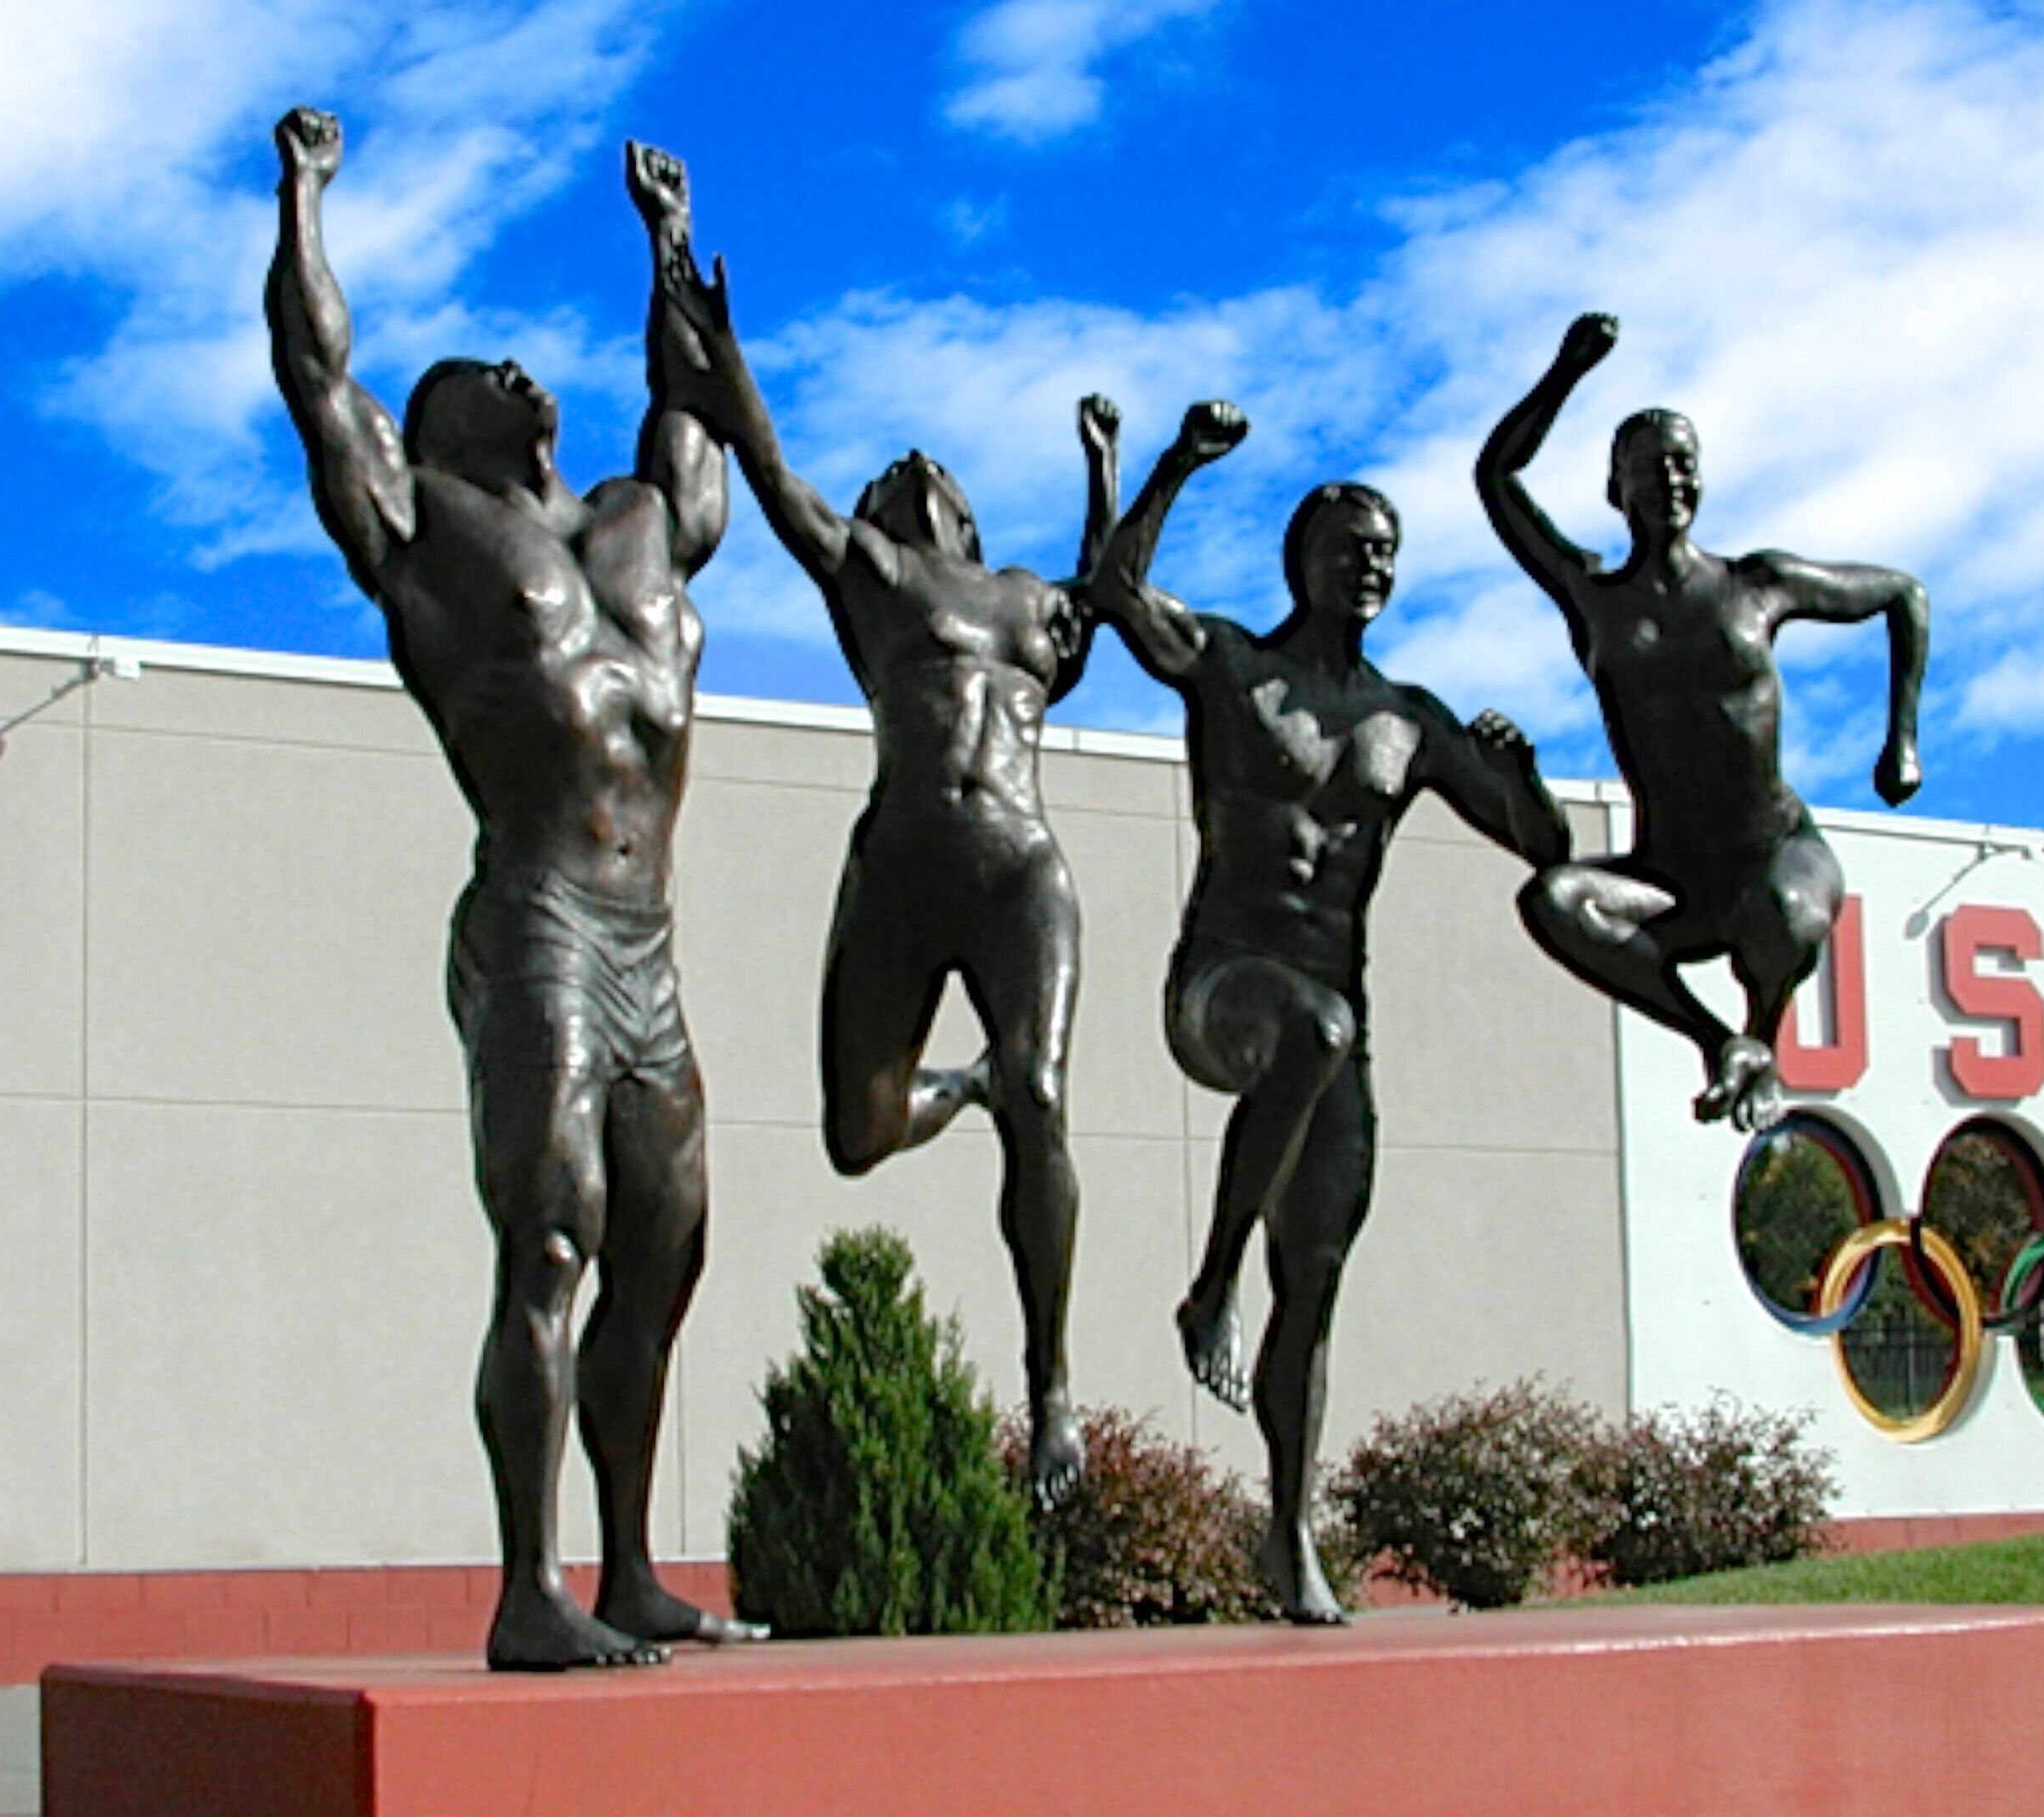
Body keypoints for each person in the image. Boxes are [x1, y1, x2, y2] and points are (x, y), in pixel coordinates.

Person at [263, 107, 757, 1671]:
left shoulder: (639, 528)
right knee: (553, 1235)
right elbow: (315, 378)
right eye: (485, 372)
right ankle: (524, 1590)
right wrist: (306, 200)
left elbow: (695, 412)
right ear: (443, 424)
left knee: (663, 1250)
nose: (522, 377)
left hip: (649, 940)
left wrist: (667, 249)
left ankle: (627, 1570)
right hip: (537, 916)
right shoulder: (427, 531)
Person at [1090, 402, 1571, 1622]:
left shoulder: (1408, 720)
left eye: (1388, 551)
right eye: (1352, 545)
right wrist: (1174, 466)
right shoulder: (1235, 667)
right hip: (1221, 992)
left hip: (1332, 1019)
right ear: (1300, 560)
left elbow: (1540, 846)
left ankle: (1288, 1534)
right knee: (1313, 1032)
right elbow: (1112, 589)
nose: (1373, 565)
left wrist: (1523, 779)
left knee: (1315, 1277)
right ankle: (1207, 1286)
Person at [654, 259, 1120, 1502]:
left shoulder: (1026, 600)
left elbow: (1107, 591)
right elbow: (767, 472)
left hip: (1020, 867)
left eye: (939, 476)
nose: (914, 470)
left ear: (970, 521)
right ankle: (967, 1081)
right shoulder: (868, 577)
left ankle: (1053, 1385)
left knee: (1046, 1091)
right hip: (902, 868)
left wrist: (1116, 468)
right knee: (857, 1133)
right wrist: (722, 341)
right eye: (890, 477)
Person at [1478, 313, 1929, 1132]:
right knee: (1554, 899)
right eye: (1648, 471)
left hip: (1775, 853)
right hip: (1672, 878)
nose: (1670, 482)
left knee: (1784, 918)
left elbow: (1903, 596)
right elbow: (1497, 479)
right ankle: (1721, 1041)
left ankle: (1763, 1036)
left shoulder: (1759, 585)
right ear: (1618, 492)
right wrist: (1568, 370)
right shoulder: (1595, 601)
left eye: (1683, 465)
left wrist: (1900, 740)